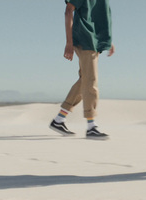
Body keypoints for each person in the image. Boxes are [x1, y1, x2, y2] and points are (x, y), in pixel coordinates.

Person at [49, 0, 115, 140]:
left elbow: (100, 17)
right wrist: (69, 42)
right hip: (85, 39)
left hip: (95, 41)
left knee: (85, 80)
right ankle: (91, 126)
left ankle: (59, 120)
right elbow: (68, 11)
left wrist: (108, 41)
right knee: (91, 81)